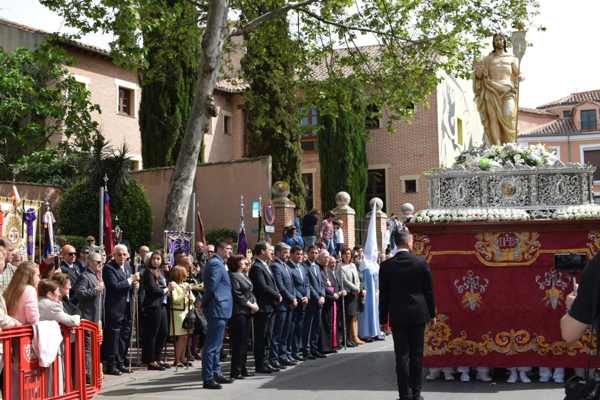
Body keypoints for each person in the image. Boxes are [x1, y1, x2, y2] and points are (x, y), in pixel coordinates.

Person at [379, 231, 436, 400]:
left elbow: (384, 295)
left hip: (397, 316)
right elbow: (429, 291)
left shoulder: (386, 265)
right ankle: (416, 394)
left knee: (401, 356)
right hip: (418, 315)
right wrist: (432, 314)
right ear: (409, 243)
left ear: (396, 243)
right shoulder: (421, 262)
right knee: (417, 356)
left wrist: (383, 320)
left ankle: (404, 395)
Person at [473, 33, 520, 145]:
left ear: (504, 42)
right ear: (493, 43)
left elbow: (518, 73)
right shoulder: (488, 59)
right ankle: (497, 146)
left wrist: (521, 77)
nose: (498, 41)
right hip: (491, 90)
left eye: (500, 39)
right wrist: (477, 74)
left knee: (508, 115)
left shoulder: (512, 58)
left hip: (507, 90)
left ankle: (510, 144)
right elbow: (480, 75)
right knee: (493, 119)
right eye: (496, 40)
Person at [102, 244, 140, 375]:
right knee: (114, 336)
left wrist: (135, 284)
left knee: (125, 335)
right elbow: (114, 286)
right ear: (114, 255)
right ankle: (111, 365)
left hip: (128, 306)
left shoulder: (128, 267)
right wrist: (131, 280)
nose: (122, 257)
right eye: (119, 254)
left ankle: (121, 362)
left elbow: (129, 284)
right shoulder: (108, 268)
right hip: (115, 307)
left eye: (124, 254)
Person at [201, 241, 233, 389]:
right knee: (212, 346)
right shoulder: (215, 263)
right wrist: (202, 303)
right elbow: (212, 286)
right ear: (219, 249)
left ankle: (216, 372)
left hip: (221, 308)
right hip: (217, 308)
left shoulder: (220, 263)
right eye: (227, 248)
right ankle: (208, 378)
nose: (230, 251)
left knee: (217, 345)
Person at [250, 241, 281, 374]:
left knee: (267, 336)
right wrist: (277, 294)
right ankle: (260, 364)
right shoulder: (257, 267)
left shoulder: (265, 265)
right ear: (262, 251)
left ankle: (266, 362)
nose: (271, 252)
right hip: (263, 308)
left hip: (269, 307)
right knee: (261, 337)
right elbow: (262, 287)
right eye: (269, 250)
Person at [228, 254, 258, 379]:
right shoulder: (233, 276)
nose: (245, 263)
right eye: (242, 261)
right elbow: (238, 294)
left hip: (247, 311)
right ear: (236, 263)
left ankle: (243, 367)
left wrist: (254, 303)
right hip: (238, 312)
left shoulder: (244, 275)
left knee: (245, 341)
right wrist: (251, 305)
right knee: (238, 342)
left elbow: (250, 292)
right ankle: (236, 370)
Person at [270, 243, 297, 369]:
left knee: (286, 332)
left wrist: (294, 297)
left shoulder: (285, 265)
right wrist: (291, 298)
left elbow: (291, 284)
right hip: (282, 305)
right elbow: (281, 286)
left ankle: (284, 355)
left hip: (289, 304)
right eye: (285, 252)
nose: (287, 255)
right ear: (279, 252)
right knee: (278, 333)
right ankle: (274, 358)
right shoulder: (275, 266)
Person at [141, 251, 169, 370]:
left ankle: (157, 358)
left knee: (163, 332)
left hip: (162, 304)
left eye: (158, 259)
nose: (156, 261)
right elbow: (153, 289)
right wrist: (166, 289)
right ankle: (151, 360)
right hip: (153, 306)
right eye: (154, 259)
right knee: (152, 333)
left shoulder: (161, 272)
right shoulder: (148, 272)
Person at [168, 265, 195, 368]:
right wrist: (184, 292)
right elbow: (175, 300)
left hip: (186, 313)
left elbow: (193, 299)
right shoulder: (173, 285)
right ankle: (177, 359)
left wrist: (188, 293)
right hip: (178, 313)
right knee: (180, 337)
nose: (186, 275)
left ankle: (183, 358)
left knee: (185, 336)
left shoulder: (185, 284)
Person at [303, 245, 326, 359]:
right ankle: (306, 350)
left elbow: (321, 283)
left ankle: (314, 348)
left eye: (316, 252)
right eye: (312, 252)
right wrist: (317, 297)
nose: (314, 254)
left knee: (316, 326)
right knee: (309, 326)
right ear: (308, 253)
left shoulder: (317, 266)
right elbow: (309, 285)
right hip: (312, 301)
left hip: (320, 301)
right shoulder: (305, 266)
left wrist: (323, 295)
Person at [338, 246, 363, 347]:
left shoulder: (353, 265)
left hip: (354, 294)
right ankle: (346, 339)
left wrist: (357, 287)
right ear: (342, 255)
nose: (347, 255)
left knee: (352, 316)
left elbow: (356, 277)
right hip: (347, 294)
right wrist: (354, 288)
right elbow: (343, 280)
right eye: (345, 254)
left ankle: (351, 338)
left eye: (349, 253)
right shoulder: (340, 266)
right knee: (346, 318)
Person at [287, 246, 309, 361]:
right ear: (291, 254)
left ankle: (296, 351)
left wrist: (307, 296)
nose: (300, 256)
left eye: (301, 254)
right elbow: (292, 286)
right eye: (297, 254)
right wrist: (301, 297)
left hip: (304, 302)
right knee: (292, 328)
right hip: (295, 302)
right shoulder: (289, 268)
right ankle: (289, 352)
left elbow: (307, 284)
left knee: (299, 328)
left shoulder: (303, 267)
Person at [72, 252, 104, 322]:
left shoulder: (99, 276)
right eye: (98, 262)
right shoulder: (84, 276)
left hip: (98, 315)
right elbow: (79, 294)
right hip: (89, 317)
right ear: (90, 262)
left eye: (102, 262)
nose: (101, 264)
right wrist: (95, 290)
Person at [321, 254, 343, 353]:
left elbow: (334, 284)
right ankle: (326, 346)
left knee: (333, 323)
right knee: (327, 324)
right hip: (328, 300)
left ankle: (333, 344)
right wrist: (332, 294)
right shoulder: (321, 271)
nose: (328, 262)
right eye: (326, 260)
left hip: (333, 299)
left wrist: (338, 292)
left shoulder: (329, 271)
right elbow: (324, 286)